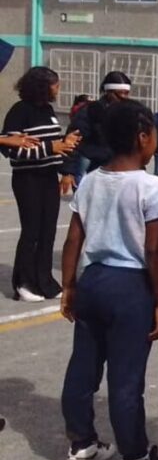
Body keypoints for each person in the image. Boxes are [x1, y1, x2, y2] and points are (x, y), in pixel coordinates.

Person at [59, 100, 158, 460]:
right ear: (143, 136)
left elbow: (74, 237)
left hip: (92, 280)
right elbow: (155, 251)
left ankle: (82, 445)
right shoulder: (152, 187)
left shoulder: (91, 178)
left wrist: (70, 285)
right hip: (130, 288)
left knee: (83, 367)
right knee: (126, 380)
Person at [2, 67, 81, 302]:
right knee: (32, 231)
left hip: (47, 177)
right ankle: (23, 283)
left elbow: (53, 143)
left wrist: (65, 148)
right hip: (28, 179)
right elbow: (12, 151)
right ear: (41, 86)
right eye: (55, 84)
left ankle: (44, 281)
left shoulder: (47, 110)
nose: (58, 88)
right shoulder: (19, 111)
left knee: (48, 231)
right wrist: (51, 147)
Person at [60, 71, 132, 194]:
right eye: (120, 93)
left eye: (127, 93)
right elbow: (73, 140)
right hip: (95, 167)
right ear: (108, 92)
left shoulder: (128, 112)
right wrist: (67, 172)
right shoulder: (91, 111)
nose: (124, 97)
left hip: (119, 170)